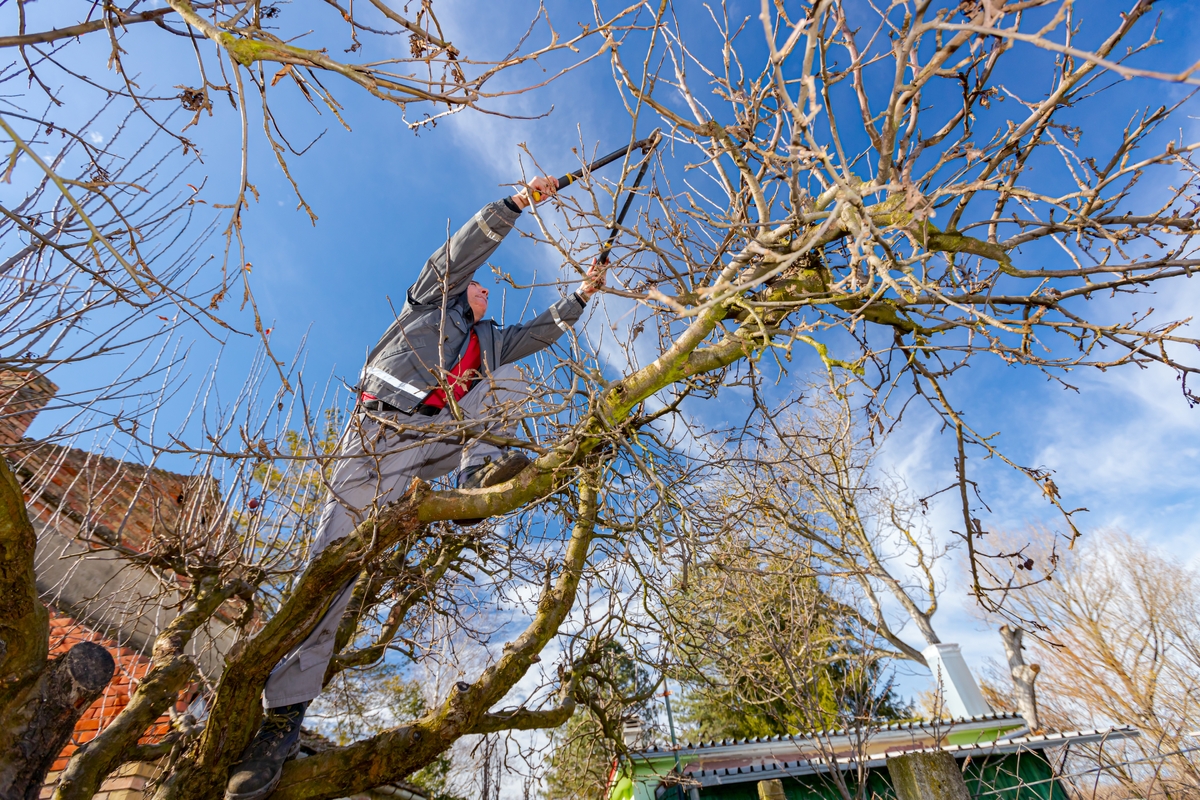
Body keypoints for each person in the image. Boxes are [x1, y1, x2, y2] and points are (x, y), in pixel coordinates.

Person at [225, 176, 604, 800]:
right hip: (375, 438)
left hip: (432, 443)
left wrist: (583, 296)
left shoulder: (488, 342)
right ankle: (282, 716)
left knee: (512, 383)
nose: (484, 286)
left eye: (485, 289)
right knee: (330, 567)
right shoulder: (430, 301)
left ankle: (477, 472)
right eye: (479, 282)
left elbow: (542, 333)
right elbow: (460, 255)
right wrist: (514, 205)